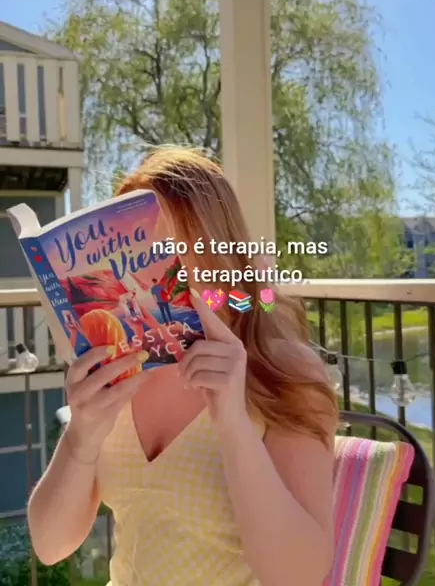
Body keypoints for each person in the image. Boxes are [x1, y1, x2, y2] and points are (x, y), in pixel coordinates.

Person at [27, 148, 338, 586]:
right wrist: (82, 435)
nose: (150, 274)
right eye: (134, 251)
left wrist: (233, 423)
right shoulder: (120, 365)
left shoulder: (283, 371)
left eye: (170, 251)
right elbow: (50, 544)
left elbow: (297, 576)